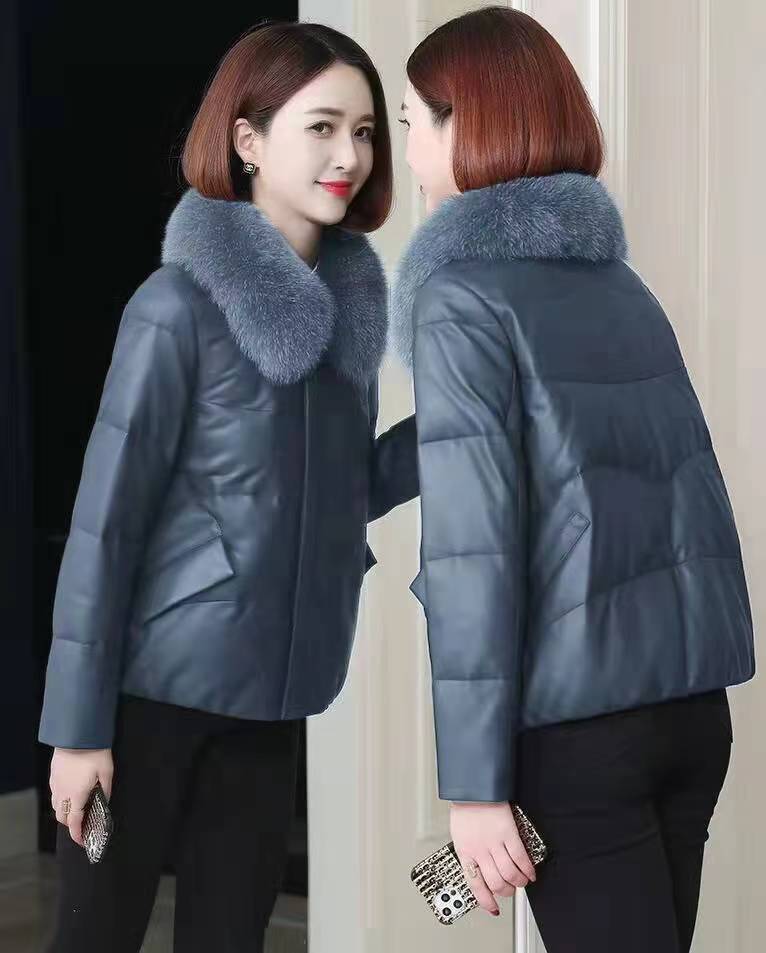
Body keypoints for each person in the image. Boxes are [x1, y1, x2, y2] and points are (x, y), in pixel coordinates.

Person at [39, 21, 418, 953]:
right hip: (147, 700)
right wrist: (78, 732)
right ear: (247, 140)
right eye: (322, 127)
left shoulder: (347, 316)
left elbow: (342, 491)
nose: (349, 156)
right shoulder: (174, 308)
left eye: (365, 132)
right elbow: (104, 527)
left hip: (270, 697)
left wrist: (464, 421)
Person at [390, 7, 755, 952]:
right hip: (689, 714)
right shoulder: (619, 287)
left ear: (466, 125)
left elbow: (473, 553)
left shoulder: (458, 295)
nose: (407, 153)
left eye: (412, 123)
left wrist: (474, 788)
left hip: (578, 734)